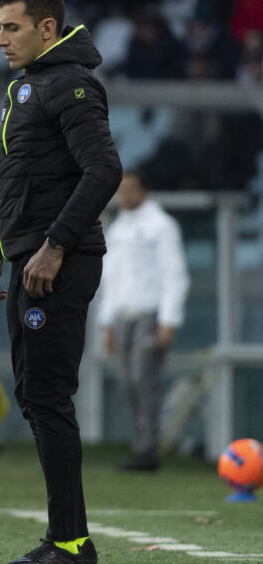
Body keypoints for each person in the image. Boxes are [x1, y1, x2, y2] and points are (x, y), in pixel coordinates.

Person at [0, 0, 122, 564]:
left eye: (11, 27)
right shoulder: (31, 84)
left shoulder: (72, 85)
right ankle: (68, 537)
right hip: (28, 256)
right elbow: (21, 174)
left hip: (55, 263)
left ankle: (69, 543)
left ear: (47, 28)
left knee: (47, 395)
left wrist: (56, 245)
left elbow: (104, 170)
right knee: (38, 395)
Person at [98, 170, 189, 472]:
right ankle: (140, 444)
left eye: (131, 190)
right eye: (121, 190)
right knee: (128, 383)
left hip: (149, 314)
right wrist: (107, 322)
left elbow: (174, 273)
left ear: (145, 192)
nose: (125, 196)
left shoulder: (161, 226)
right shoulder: (118, 228)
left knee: (143, 380)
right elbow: (110, 279)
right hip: (123, 315)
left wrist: (169, 320)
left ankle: (149, 449)